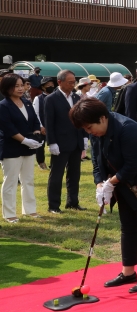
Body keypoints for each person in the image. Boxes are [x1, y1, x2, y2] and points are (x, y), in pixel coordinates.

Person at [70, 98, 137, 294]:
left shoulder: (127, 129)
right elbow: (97, 162)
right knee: (127, 226)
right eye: (86, 129)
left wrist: (111, 182)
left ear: (102, 118)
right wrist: (100, 184)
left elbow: (134, 164)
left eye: (90, 127)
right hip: (124, 183)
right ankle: (128, 272)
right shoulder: (96, 132)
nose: (90, 132)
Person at [0, 74, 43, 222]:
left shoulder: (27, 102)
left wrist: (36, 135)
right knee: (10, 181)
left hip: (28, 147)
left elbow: (35, 121)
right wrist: (24, 140)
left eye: (21, 85)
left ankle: (30, 210)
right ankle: (9, 213)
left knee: (28, 179)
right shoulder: (3, 106)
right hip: (11, 148)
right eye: (16, 86)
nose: (20, 89)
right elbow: (8, 128)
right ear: (7, 88)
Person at [44, 69, 86, 212]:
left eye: (74, 82)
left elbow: (81, 119)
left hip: (76, 141)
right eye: (69, 82)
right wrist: (52, 142)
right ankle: (53, 205)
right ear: (59, 82)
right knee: (57, 175)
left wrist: (84, 137)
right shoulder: (51, 99)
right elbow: (49, 123)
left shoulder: (76, 97)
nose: (72, 85)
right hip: (60, 143)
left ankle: (72, 202)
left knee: (74, 174)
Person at [32, 77, 56, 171]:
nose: (50, 86)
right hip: (42, 125)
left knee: (55, 144)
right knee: (40, 145)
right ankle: (41, 162)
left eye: (52, 85)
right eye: (48, 85)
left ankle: (53, 164)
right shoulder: (38, 98)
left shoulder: (56, 97)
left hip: (54, 126)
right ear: (43, 87)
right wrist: (41, 126)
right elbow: (36, 113)